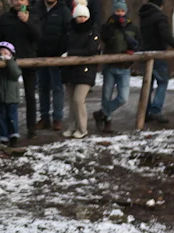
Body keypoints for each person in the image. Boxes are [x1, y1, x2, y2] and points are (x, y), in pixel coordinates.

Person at [0, 0, 39, 138]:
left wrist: (27, 21)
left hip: (29, 59)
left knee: (30, 95)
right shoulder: (5, 18)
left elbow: (38, 36)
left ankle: (32, 127)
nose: (18, 1)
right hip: (8, 61)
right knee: (5, 97)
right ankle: (8, 131)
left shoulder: (34, 15)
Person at [94, 0, 137, 132]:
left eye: (122, 11)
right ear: (113, 11)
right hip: (111, 66)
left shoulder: (132, 27)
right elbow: (105, 38)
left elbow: (138, 42)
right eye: (118, 11)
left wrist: (132, 49)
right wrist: (116, 27)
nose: (120, 14)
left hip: (125, 67)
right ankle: (107, 122)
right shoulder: (107, 25)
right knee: (106, 95)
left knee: (123, 98)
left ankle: (101, 113)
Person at [139, 0, 174, 124]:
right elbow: (165, 34)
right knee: (162, 81)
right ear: (160, 5)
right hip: (158, 53)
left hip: (144, 53)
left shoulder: (143, 15)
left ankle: (145, 112)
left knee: (148, 83)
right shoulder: (160, 17)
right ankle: (155, 110)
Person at [62, 3, 97, 139]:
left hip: (86, 70)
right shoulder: (70, 30)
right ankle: (72, 127)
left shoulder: (92, 31)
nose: (82, 19)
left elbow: (91, 50)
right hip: (70, 70)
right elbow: (63, 45)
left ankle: (82, 128)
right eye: (79, 16)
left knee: (78, 99)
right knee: (71, 101)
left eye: (84, 16)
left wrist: (70, 53)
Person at [34, 0, 70, 131]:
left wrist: (63, 50)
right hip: (40, 54)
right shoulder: (36, 9)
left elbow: (69, 31)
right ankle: (44, 117)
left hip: (57, 56)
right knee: (42, 87)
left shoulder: (63, 10)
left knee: (57, 88)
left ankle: (57, 118)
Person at [0, 42, 21, 146]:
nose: (3, 54)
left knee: (12, 118)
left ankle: (13, 136)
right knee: (2, 119)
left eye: (6, 52)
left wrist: (9, 61)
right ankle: (3, 138)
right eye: (1, 52)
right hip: (0, 97)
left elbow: (15, 74)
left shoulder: (13, 63)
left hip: (12, 97)